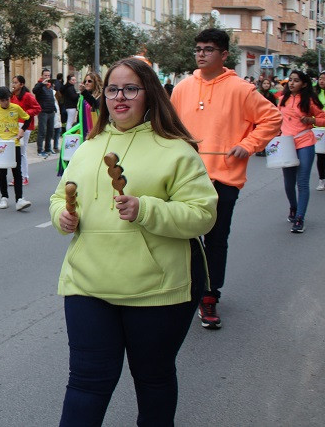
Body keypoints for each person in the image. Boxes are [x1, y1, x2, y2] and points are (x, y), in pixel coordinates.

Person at [50, 58, 218, 426]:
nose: (119, 97)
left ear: (149, 95)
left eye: (130, 89)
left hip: (156, 289)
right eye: (112, 89)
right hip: (87, 283)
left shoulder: (175, 149)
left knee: (153, 379)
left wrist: (146, 209)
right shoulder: (90, 145)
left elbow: (202, 215)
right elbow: (60, 197)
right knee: (86, 382)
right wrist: (62, 216)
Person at [171, 28, 281, 329]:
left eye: (208, 49)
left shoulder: (241, 89)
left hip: (224, 178)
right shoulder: (182, 88)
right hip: (185, 177)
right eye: (198, 49)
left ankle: (209, 296)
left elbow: (272, 118)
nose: (201, 53)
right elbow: (169, 126)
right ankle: (184, 290)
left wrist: (247, 145)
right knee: (182, 238)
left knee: (216, 240)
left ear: (223, 55)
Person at [277, 71, 325, 233]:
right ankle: (293, 207)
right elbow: (276, 119)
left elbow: (323, 118)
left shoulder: (309, 100)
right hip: (286, 144)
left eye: (296, 81)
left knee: (302, 182)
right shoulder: (283, 99)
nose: (291, 83)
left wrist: (312, 120)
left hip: (305, 142)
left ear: (304, 84)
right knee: (288, 183)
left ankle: (299, 218)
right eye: (290, 80)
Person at [0, 86, 31, 212]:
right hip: (0, 144)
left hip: (14, 143)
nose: (6, 102)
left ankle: (19, 199)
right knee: (2, 172)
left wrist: (22, 130)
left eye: (8, 99)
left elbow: (27, 119)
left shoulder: (16, 108)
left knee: (17, 172)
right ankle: (4, 197)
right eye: (3, 100)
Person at [10, 75, 40, 185]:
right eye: (12, 83)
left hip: (25, 126)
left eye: (15, 83)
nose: (13, 85)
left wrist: (25, 114)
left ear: (21, 84)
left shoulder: (28, 96)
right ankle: (16, 176)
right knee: (14, 152)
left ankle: (24, 176)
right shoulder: (12, 96)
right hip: (13, 126)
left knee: (21, 152)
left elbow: (37, 108)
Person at [33, 68, 57, 157]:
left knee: (50, 131)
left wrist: (54, 108)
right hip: (43, 112)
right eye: (45, 75)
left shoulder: (50, 86)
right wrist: (41, 84)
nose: (47, 77)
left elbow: (52, 98)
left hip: (51, 111)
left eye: (48, 75)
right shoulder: (39, 85)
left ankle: (48, 148)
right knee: (42, 131)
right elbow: (34, 91)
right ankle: (40, 150)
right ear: (42, 76)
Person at [316, 72, 325, 191]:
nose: (322, 81)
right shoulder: (314, 94)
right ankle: (322, 179)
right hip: (318, 130)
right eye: (320, 79)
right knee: (321, 156)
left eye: (324, 79)